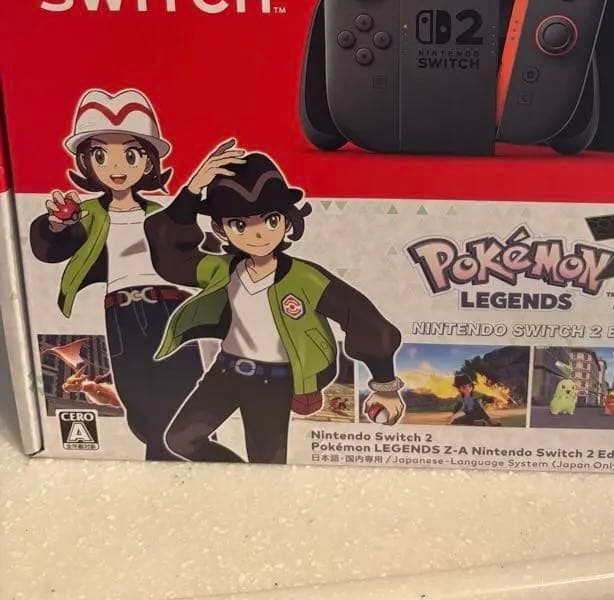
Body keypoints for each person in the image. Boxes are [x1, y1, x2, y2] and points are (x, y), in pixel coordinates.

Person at [145, 145, 405, 463]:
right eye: (240, 224)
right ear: (221, 228)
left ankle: (256, 485)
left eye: (270, 220)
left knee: (267, 464)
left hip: (274, 381)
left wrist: (385, 385)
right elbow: (172, 255)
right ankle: (238, 479)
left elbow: (362, 318)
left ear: (286, 219)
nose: (257, 234)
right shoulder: (222, 269)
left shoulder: (304, 278)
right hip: (225, 371)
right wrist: (192, 190)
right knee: (181, 440)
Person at [29, 88, 207, 459]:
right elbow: (50, 248)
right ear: (86, 163)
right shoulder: (89, 214)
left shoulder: (161, 212)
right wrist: (58, 225)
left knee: (185, 392)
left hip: (169, 307)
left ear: (148, 162)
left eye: (130, 154)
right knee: (138, 402)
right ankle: (163, 457)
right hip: (121, 313)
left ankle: (190, 455)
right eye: (100, 155)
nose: (116, 166)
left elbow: (190, 246)